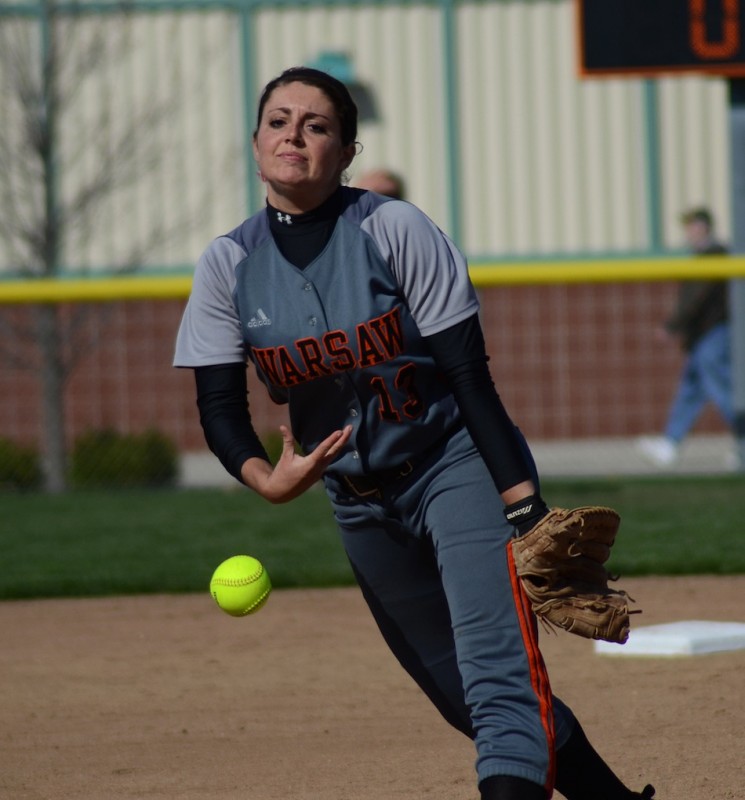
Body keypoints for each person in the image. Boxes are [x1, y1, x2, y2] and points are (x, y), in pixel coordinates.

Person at [174, 66, 656, 800]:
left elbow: (470, 378)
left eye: (316, 124)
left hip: (450, 466)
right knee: (459, 696)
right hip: (357, 504)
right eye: (278, 120)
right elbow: (218, 407)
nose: (294, 134)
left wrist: (522, 506)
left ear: (344, 150)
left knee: (499, 685)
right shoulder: (227, 265)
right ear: (255, 142)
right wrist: (262, 478)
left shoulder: (392, 229)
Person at [638, 207, 734, 468]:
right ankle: (670, 444)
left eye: (692, 225)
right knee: (690, 390)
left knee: (724, 390)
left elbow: (697, 299)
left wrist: (673, 325)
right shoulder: (702, 256)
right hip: (703, 336)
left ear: (703, 226)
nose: (688, 232)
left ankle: (742, 442)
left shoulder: (715, 256)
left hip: (714, 334)